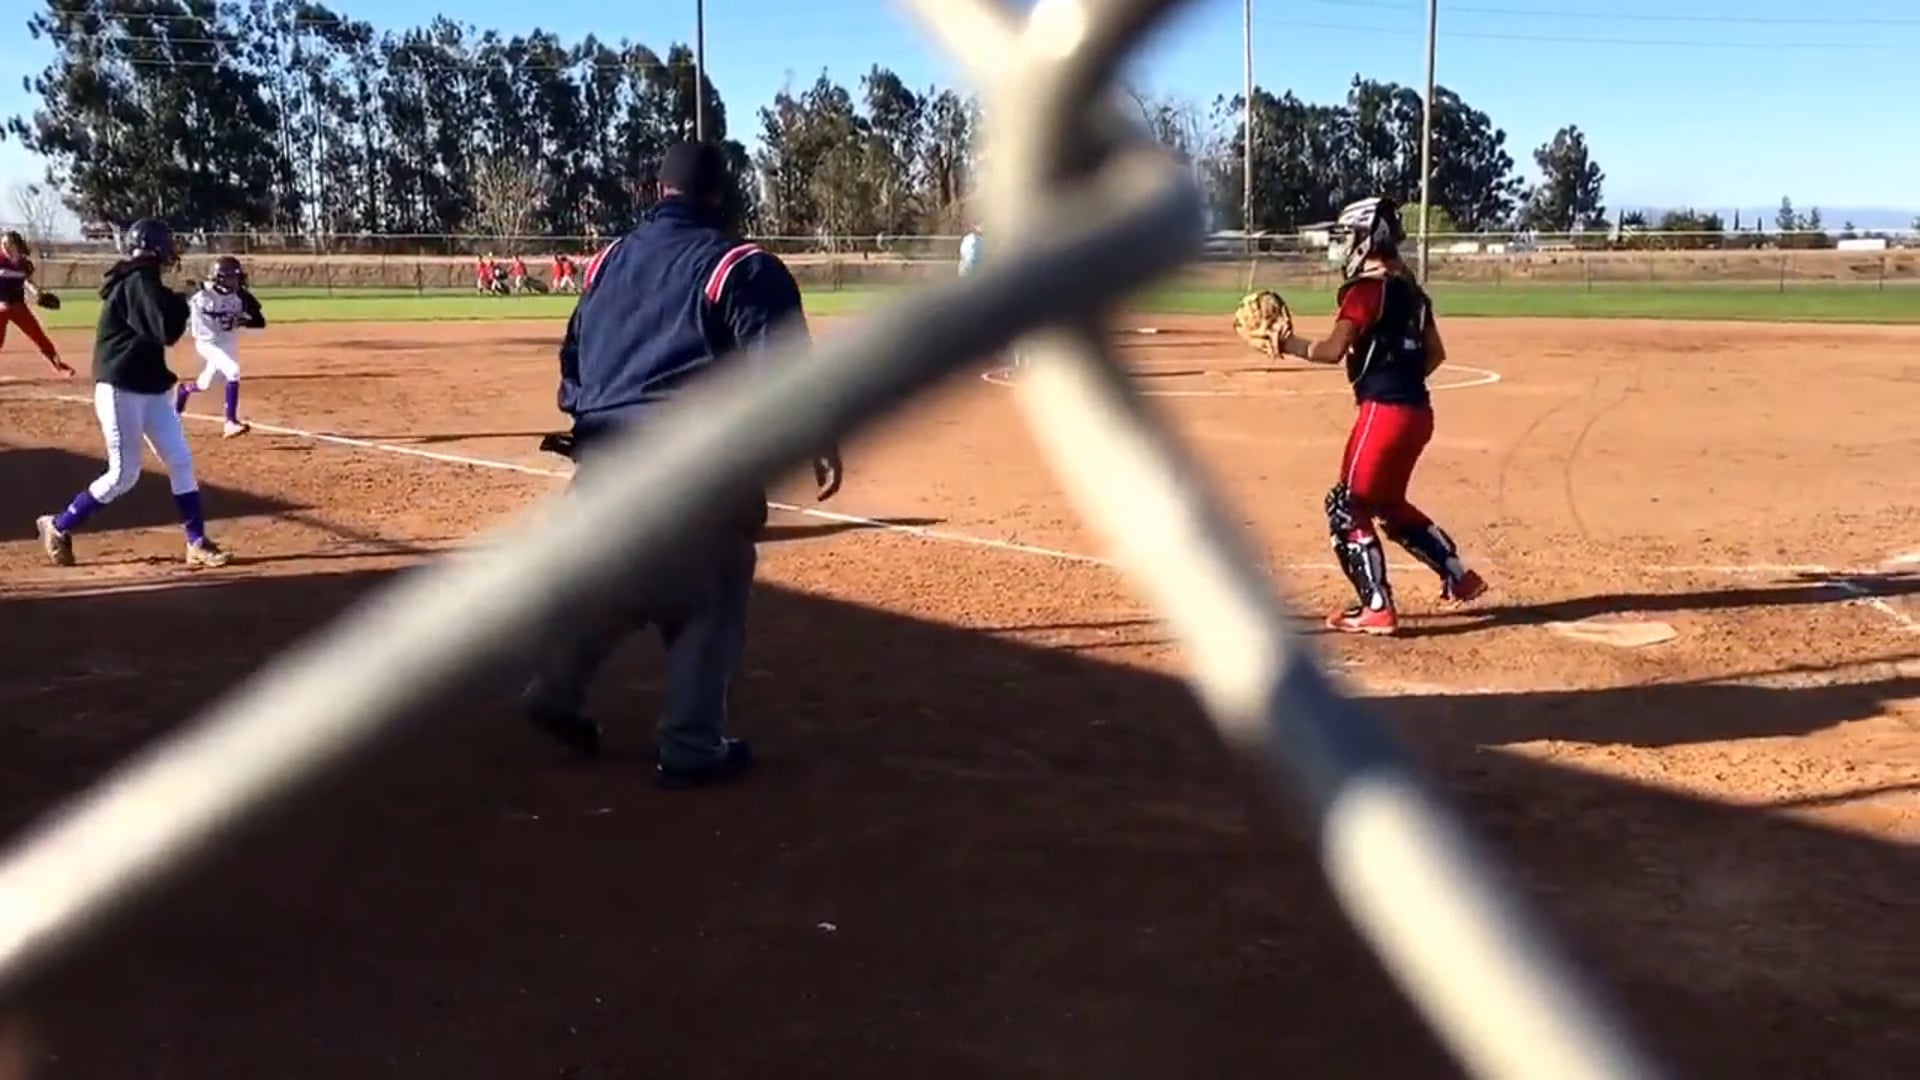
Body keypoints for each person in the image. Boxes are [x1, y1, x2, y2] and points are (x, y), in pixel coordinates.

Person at [523, 141, 844, 790]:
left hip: (602, 464)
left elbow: (573, 359)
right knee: (711, 596)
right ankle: (692, 744)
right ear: (722, 195)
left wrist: (594, 417)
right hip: (694, 474)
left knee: (613, 580)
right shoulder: (739, 265)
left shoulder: (608, 260)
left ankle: (555, 690)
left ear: (657, 191)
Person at [1275, 195, 1485, 636]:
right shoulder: (1412, 292)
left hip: (1383, 414)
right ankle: (1458, 576)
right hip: (1417, 412)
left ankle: (1376, 607)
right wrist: (1400, 377)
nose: (1344, 244)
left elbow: (1332, 350)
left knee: (1347, 506)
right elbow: (1435, 354)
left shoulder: (1366, 290)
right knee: (1387, 504)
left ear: (1370, 237)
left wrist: (1286, 343)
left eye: (1349, 235)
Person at [36, 218, 232, 569]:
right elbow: (165, 329)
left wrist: (181, 297)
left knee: (180, 461)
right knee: (124, 473)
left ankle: (197, 542)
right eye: (167, 245)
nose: (172, 251)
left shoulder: (145, 281)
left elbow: (161, 317)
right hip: (120, 387)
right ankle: (59, 525)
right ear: (156, 248)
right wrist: (186, 299)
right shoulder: (138, 281)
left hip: (151, 387)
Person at [175, 255, 267, 437]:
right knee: (233, 371)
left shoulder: (241, 296)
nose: (236, 281)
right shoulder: (200, 293)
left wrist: (242, 321)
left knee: (204, 384)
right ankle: (230, 422)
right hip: (207, 342)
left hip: (227, 343)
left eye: (237, 277)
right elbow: (175, 297)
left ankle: (182, 394)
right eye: (231, 277)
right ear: (219, 278)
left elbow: (259, 321)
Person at [0, 231, 74, 377]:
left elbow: (27, 281)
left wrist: (38, 294)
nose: (5, 247)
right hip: (0, 307)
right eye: (3, 244)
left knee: (38, 336)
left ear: (16, 245)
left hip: (18, 306)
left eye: (8, 244)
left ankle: (58, 365)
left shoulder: (24, 264)